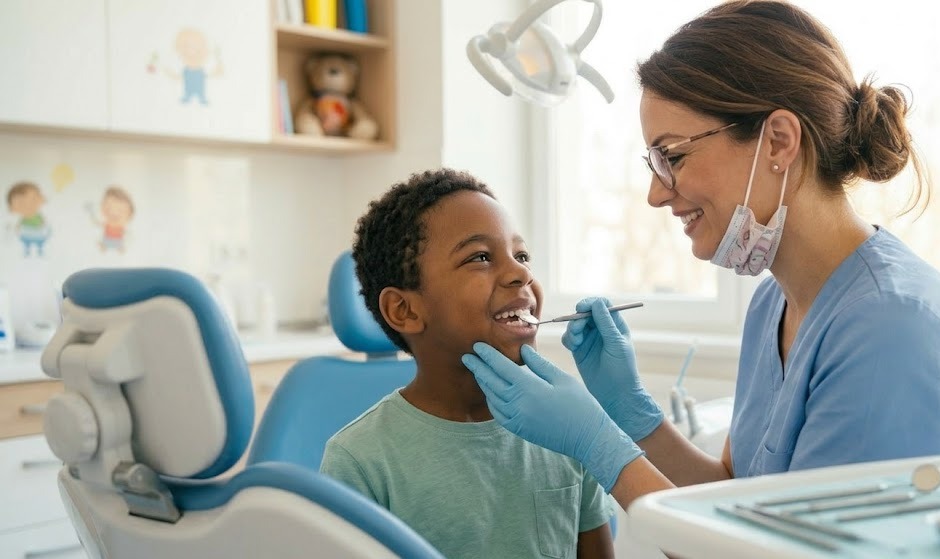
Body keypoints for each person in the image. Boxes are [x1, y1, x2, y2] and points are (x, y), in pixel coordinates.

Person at [462, 0, 940, 513]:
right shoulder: (771, 305)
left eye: (673, 156)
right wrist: (632, 414)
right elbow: (733, 495)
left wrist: (597, 444)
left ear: (778, 141)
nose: (656, 193)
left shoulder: (888, 327)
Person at [319, 168, 617, 558]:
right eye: (479, 257)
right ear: (404, 310)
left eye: (521, 255)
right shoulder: (359, 461)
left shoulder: (568, 431)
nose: (521, 272)